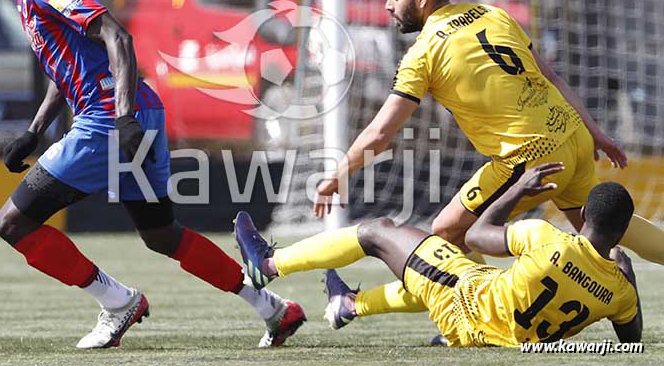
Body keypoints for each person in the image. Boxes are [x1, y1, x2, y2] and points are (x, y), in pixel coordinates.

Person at [0, 0, 305, 349]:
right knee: (161, 235)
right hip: (136, 112)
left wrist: (122, 118)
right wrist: (35, 131)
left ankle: (118, 303)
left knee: (14, 223)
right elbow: (69, 67)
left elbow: (117, 36)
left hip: (106, 120)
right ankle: (275, 308)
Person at [308, 0, 664, 322]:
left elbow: (380, 133)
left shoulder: (424, 52)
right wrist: (596, 132)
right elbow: (552, 78)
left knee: (446, 231)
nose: (386, 6)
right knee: (597, 229)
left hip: (531, 154)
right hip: (571, 134)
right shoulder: (492, 14)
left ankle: (470, 313)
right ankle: (370, 305)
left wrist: (338, 174)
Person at [235, 163, 642, 346]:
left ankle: (269, 265)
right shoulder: (619, 292)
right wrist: (628, 278)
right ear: (623, 232)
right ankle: (349, 304)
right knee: (433, 266)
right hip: (494, 327)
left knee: (379, 231)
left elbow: (480, 234)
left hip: (465, 306)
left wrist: (517, 191)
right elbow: (631, 336)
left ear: (583, 215)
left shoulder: (548, 238)